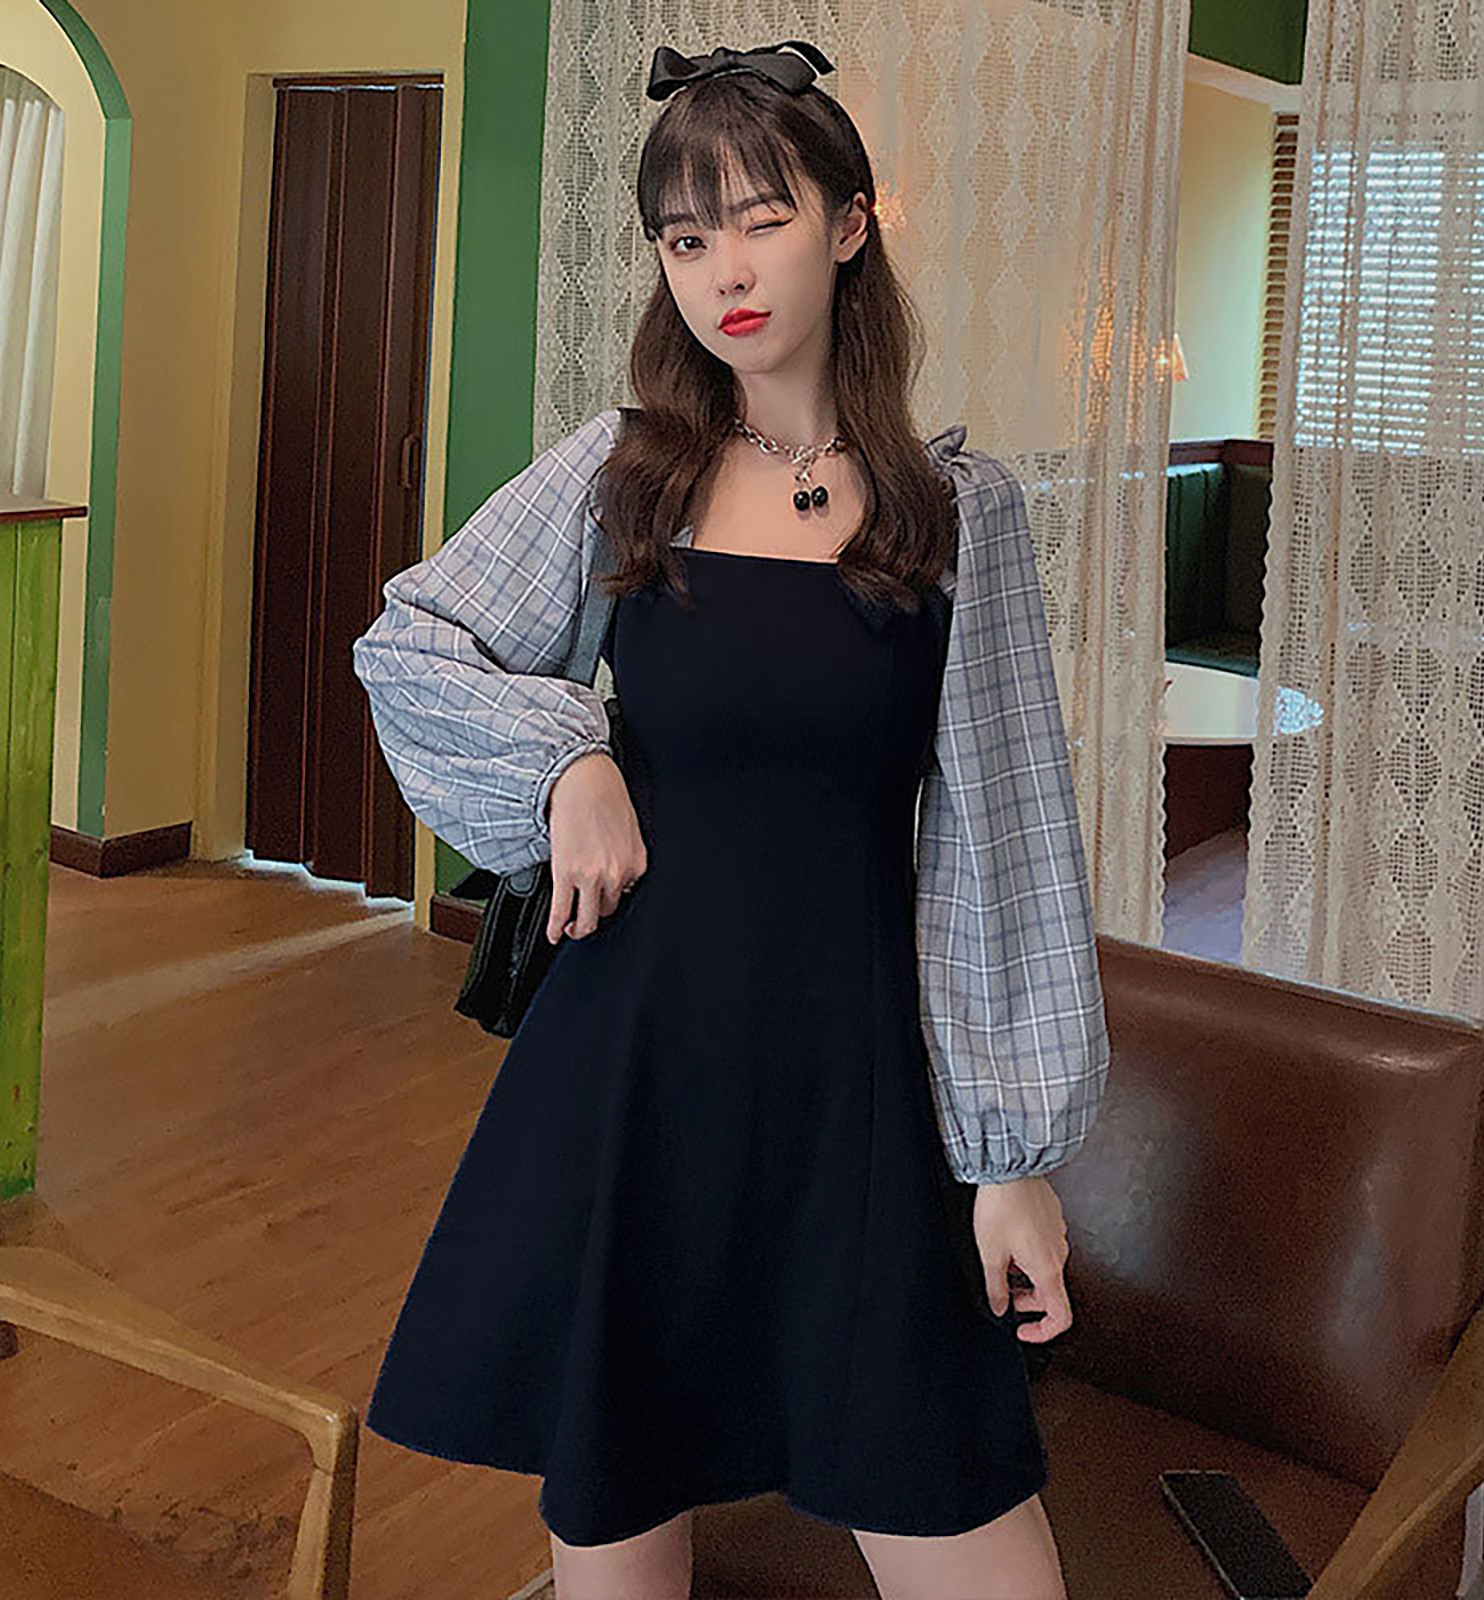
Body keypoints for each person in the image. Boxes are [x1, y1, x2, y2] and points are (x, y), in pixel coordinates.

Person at [352, 38, 1109, 1600]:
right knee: (618, 1506)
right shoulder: (625, 472)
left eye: (762, 220)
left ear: (850, 224)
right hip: (631, 1069)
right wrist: (568, 762)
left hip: (856, 1087)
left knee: (962, 1524)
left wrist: (1013, 1158)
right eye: (686, 239)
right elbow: (410, 643)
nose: (726, 273)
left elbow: (1009, 844)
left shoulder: (959, 514)